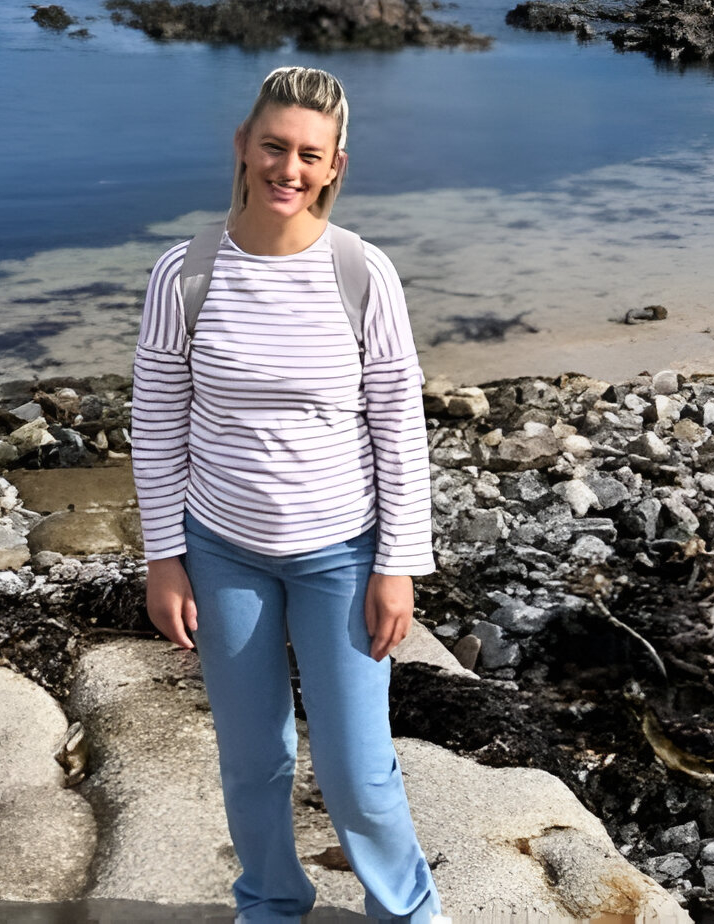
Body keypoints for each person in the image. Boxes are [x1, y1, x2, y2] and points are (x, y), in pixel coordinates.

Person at [131, 66, 448, 924]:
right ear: (243, 145)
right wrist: (164, 559)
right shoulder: (185, 273)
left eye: (310, 154)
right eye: (274, 146)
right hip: (221, 549)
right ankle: (270, 903)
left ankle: (408, 913)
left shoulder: (362, 272)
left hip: (341, 554)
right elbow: (157, 424)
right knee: (252, 758)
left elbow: (398, 425)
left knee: (356, 764)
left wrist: (399, 564)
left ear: (335, 164)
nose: (288, 169)